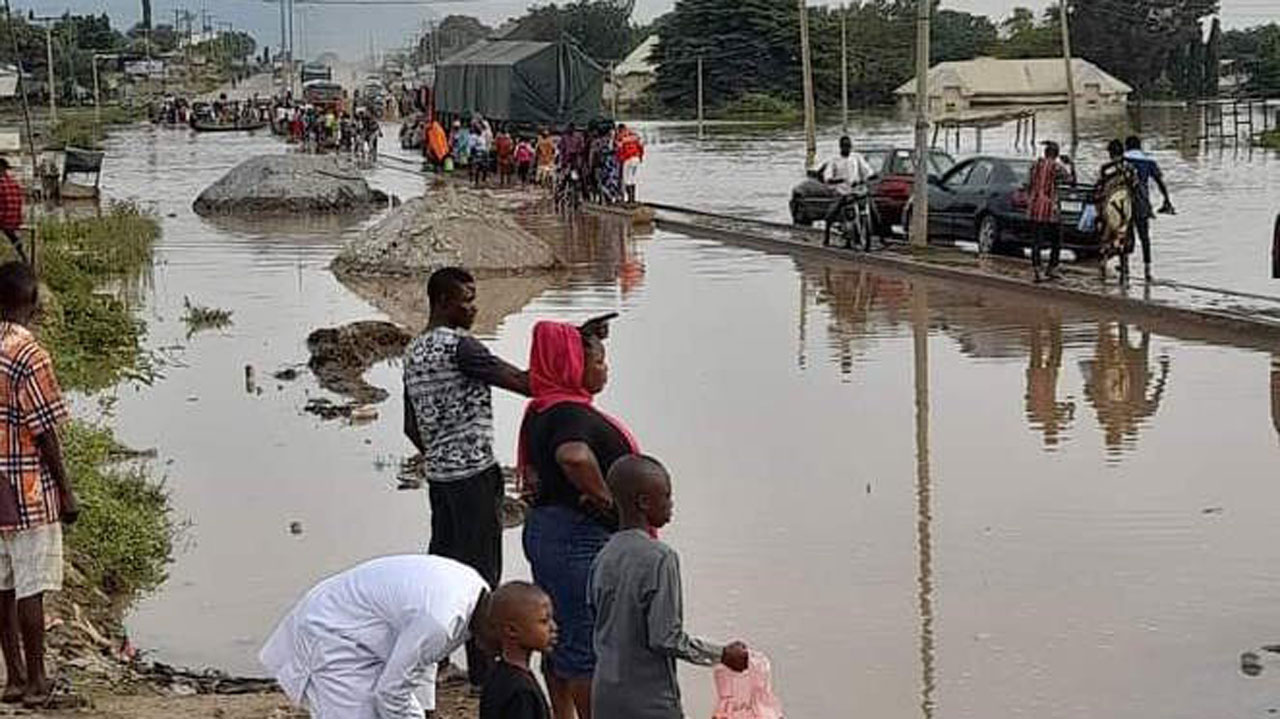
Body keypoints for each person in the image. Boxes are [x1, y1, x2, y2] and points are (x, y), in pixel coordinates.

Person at [403, 267, 530, 691]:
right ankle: (483, 674)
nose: (474, 307)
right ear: (442, 302)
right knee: (481, 577)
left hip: (440, 478)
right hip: (474, 476)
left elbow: (410, 426)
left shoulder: (414, 352)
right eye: (467, 299)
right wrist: (566, 361)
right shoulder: (463, 348)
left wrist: (441, 448)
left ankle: (431, 662)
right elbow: (522, 382)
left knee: (442, 571)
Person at [518, 317, 638, 719]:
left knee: (557, 635)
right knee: (585, 644)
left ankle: (562, 713)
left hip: (549, 530)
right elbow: (573, 456)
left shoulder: (543, 407)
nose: (606, 369)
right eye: (599, 362)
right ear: (574, 366)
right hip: (575, 538)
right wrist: (610, 505)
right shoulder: (570, 413)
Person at [589, 456, 750, 719]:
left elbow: (597, 621)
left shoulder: (602, 556)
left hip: (605, 696)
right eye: (666, 495)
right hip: (650, 703)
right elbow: (665, 637)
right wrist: (722, 654)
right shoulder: (661, 557)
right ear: (644, 502)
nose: (671, 503)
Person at [259, 555, 492, 719]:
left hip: (360, 634)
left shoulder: (474, 595)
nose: (496, 656)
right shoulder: (442, 620)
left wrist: (426, 708)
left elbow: (423, 657)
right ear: (504, 630)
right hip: (331, 632)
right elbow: (391, 692)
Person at [0, 261, 75, 708]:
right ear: (30, 302)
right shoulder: (29, 354)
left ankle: (13, 676)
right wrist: (65, 489)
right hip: (26, 484)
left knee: (2, 585)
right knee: (31, 585)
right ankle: (37, 681)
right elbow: (45, 429)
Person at [480, 582, 556, 719]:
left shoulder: (496, 673)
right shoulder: (521, 693)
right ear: (512, 630)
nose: (553, 628)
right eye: (544, 621)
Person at [1124, 135, 1175, 283]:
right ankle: (1147, 271)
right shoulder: (1148, 160)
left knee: (1125, 235)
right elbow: (1160, 181)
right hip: (1142, 202)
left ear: (1126, 146)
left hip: (1124, 203)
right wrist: (1167, 199)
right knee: (1144, 237)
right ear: (1139, 146)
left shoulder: (1122, 159)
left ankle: (1125, 265)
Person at [1027, 141, 1075, 283]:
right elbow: (1071, 181)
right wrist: (1071, 165)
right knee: (1056, 239)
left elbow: (1028, 184)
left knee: (1036, 240)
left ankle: (1037, 270)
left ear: (1045, 153)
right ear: (1057, 154)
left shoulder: (1034, 166)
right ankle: (1052, 268)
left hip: (1034, 207)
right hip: (1049, 209)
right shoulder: (1056, 167)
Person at [1094, 139, 1138, 283]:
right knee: (1124, 240)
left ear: (1110, 153)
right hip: (1125, 209)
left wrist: (1099, 210)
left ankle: (1103, 269)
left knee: (1106, 239)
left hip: (1109, 209)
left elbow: (1098, 190)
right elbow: (1135, 187)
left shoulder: (1105, 169)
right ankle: (1124, 271)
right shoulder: (1130, 168)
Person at [819, 136, 875, 248]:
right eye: (845, 146)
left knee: (873, 208)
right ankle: (826, 236)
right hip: (841, 192)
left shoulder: (856, 157)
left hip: (857, 191)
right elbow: (828, 177)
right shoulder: (834, 160)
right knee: (831, 213)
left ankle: (878, 233)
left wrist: (868, 177)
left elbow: (867, 171)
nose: (847, 149)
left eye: (849, 146)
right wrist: (837, 180)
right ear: (840, 147)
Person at [0, 160, 25, 263]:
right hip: (15, 220)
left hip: (3, 220)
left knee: (6, 228)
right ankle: (23, 256)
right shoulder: (14, 183)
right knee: (10, 233)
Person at [616, 124, 644, 205]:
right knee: (633, 178)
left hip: (627, 159)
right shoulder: (634, 136)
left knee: (626, 179)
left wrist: (619, 160)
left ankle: (629, 200)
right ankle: (633, 199)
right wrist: (641, 157)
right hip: (636, 159)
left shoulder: (620, 137)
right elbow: (641, 147)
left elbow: (620, 150)